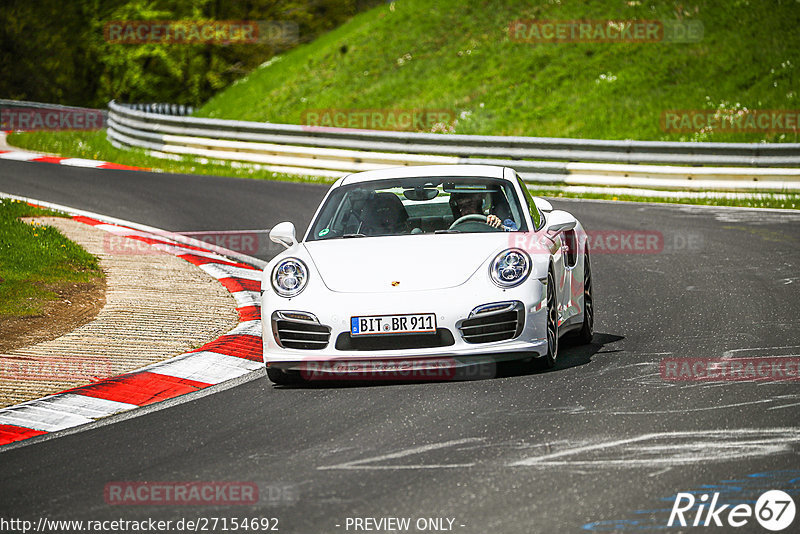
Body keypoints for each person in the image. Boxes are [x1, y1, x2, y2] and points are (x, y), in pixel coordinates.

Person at [449, 191, 517, 230]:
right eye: (462, 206)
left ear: (479, 204)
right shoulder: (452, 229)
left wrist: (500, 227)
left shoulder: (494, 222)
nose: (466, 211)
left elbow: (520, 234)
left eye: (470, 204)